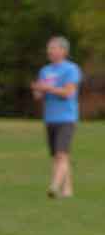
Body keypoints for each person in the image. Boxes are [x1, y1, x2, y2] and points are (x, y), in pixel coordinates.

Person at [31, 36, 82, 198]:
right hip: (50, 118)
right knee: (58, 156)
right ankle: (67, 190)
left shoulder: (71, 69)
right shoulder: (44, 71)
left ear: (64, 51)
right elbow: (39, 95)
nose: (50, 51)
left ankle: (54, 187)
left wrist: (48, 88)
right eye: (49, 48)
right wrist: (38, 90)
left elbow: (68, 92)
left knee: (62, 154)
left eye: (53, 48)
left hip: (66, 118)